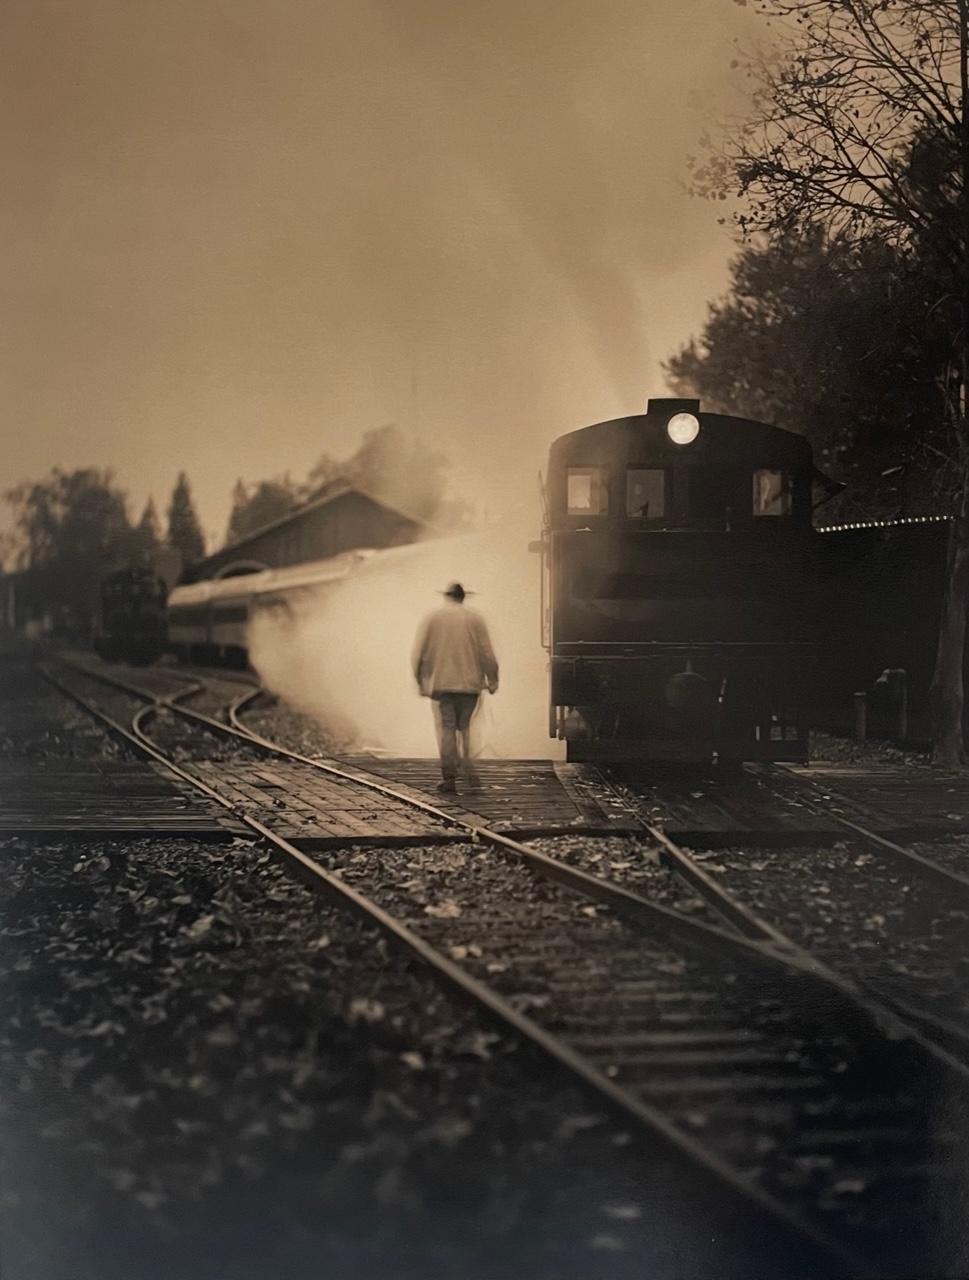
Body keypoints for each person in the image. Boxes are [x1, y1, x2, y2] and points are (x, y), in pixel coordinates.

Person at [412, 582, 499, 793]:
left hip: (441, 685)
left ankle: (449, 778)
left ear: (447, 597)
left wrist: (420, 681)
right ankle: (470, 771)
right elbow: (486, 652)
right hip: (470, 686)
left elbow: (419, 653)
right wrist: (493, 678)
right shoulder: (475, 618)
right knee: (466, 727)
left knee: (447, 729)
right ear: (463, 597)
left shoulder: (433, 618)